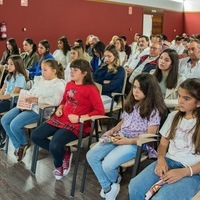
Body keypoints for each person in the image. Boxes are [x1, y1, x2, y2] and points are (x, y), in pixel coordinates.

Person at [87, 73, 167, 200]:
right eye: (134, 87)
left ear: (149, 90)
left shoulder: (153, 110)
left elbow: (149, 136)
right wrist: (113, 130)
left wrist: (127, 141)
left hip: (136, 143)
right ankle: (109, 186)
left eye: (140, 89)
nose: (135, 91)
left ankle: (110, 184)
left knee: (107, 165)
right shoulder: (132, 102)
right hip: (121, 136)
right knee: (91, 155)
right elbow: (124, 121)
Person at [31, 59, 105, 180]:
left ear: (84, 73)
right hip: (61, 118)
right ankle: (65, 153)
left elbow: (100, 111)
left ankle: (58, 164)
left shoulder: (91, 89)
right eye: (71, 69)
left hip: (78, 123)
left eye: (75, 70)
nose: (71, 72)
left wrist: (80, 118)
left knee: (55, 145)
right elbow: (65, 100)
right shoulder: (70, 84)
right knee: (35, 136)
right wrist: (60, 107)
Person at [128, 78, 200, 200]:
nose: (180, 101)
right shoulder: (173, 116)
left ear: (198, 103)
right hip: (168, 161)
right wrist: (161, 160)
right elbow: (163, 145)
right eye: (179, 96)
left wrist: (184, 172)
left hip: (193, 171)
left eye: (186, 98)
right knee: (134, 187)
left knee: (163, 197)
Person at [1, 59, 65, 162]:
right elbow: (31, 92)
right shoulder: (40, 80)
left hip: (38, 110)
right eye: (41, 70)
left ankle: (24, 144)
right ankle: (20, 146)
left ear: (54, 71)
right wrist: (23, 101)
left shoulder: (58, 84)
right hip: (28, 106)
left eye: (45, 70)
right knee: (4, 120)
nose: (42, 72)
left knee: (14, 125)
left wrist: (37, 100)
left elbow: (57, 101)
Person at [0, 55, 28, 148]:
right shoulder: (8, 76)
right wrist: (1, 95)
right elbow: (2, 89)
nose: (8, 66)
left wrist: (1, 97)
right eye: (8, 64)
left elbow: (12, 95)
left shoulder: (20, 77)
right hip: (4, 99)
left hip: (13, 102)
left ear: (18, 65)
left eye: (11, 64)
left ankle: (2, 136)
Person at [93, 44, 125, 109]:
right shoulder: (103, 67)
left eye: (109, 56)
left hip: (111, 97)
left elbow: (112, 86)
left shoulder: (120, 70)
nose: (106, 58)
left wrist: (99, 86)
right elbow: (94, 78)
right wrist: (103, 82)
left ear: (115, 56)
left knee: (92, 104)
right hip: (98, 94)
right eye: (105, 56)